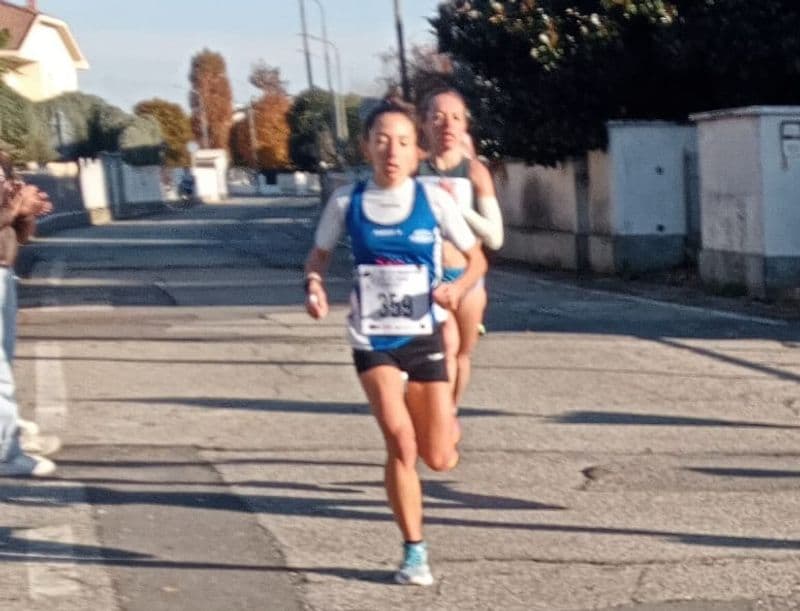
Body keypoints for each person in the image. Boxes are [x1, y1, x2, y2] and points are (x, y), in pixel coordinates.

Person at [304, 99, 487, 586]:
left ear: (415, 152)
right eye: (382, 140)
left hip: (424, 333)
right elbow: (317, 257)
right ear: (366, 146)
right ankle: (414, 552)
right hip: (372, 337)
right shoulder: (346, 202)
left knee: (439, 458)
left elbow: (477, 260)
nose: (392, 150)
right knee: (401, 443)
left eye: (403, 142)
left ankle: (444, 424)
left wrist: (456, 289)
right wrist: (314, 286)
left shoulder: (435, 201)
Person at [417, 87, 504, 408]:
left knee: (461, 353)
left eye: (455, 117)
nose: (447, 125)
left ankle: (450, 412)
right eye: (438, 117)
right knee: (445, 347)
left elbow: (495, 237)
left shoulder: (475, 172)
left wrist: (458, 208)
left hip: (467, 277)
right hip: (427, 278)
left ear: (465, 124)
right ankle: (440, 416)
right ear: (424, 123)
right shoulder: (413, 170)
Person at [0, 151, 60, 477]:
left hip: (4, 270)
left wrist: (26, 213)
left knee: (4, 362)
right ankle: (5, 452)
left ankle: (11, 434)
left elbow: (16, 233)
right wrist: (15, 208)